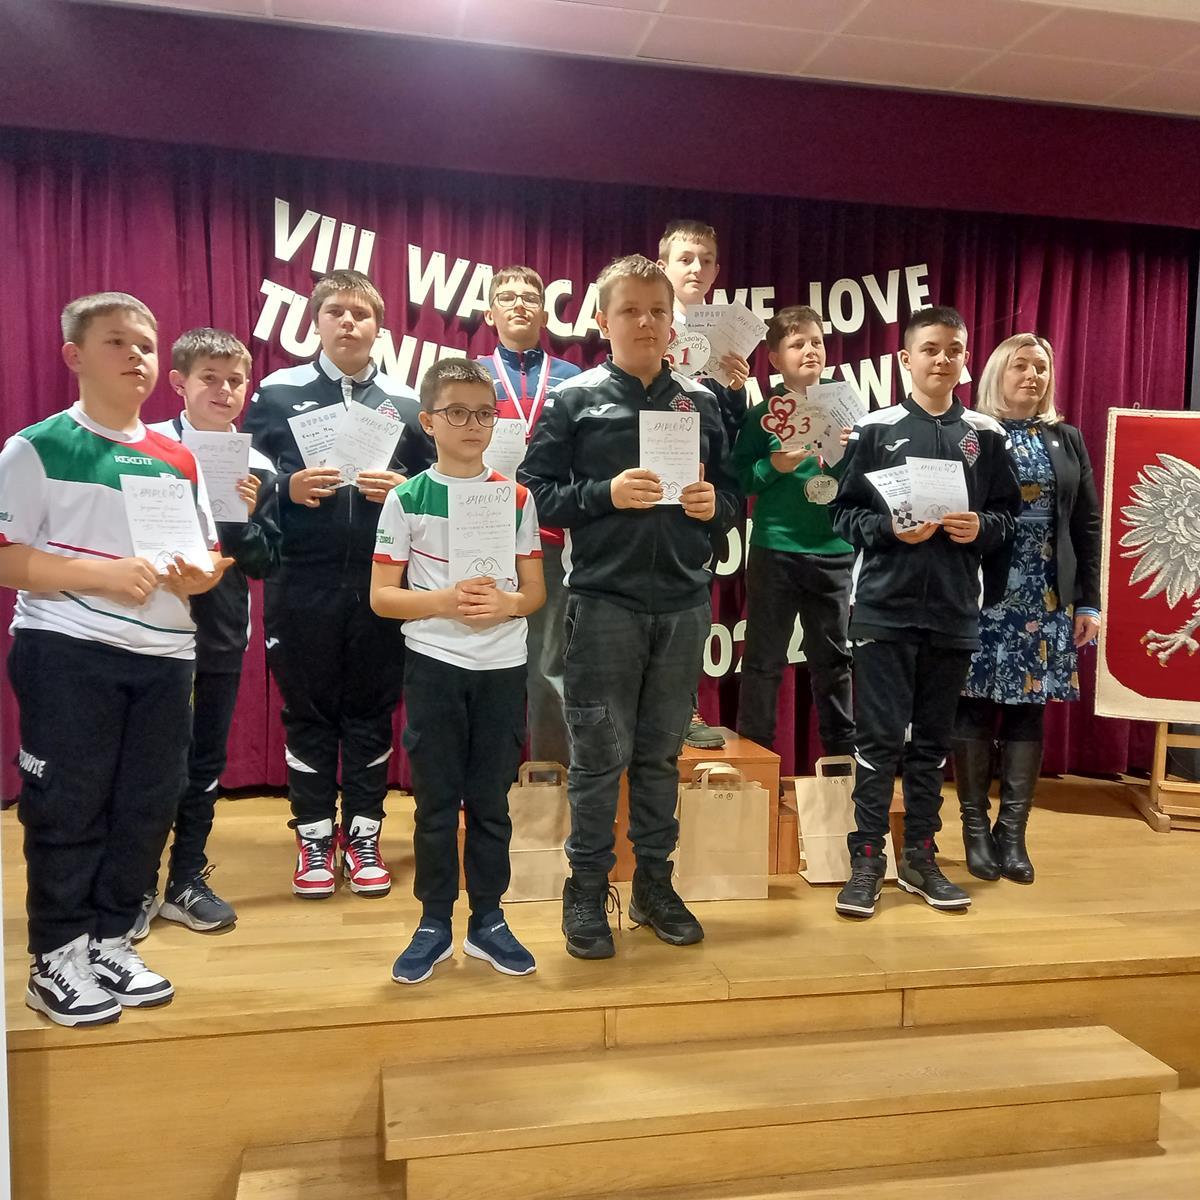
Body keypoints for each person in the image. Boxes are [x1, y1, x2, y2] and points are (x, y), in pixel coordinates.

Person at [0, 293, 230, 1027]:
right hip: (69, 650)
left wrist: (201, 575)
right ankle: (55, 956)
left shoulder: (178, 456)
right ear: (74, 355)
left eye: (146, 345)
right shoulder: (36, 446)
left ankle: (108, 941)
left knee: (147, 807)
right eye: (116, 342)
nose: (137, 356)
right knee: (69, 806)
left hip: (165, 656)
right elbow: (4, 556)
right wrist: (99, 575)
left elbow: (201, 556)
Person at [520, 254, 738, 959]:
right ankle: (586, 889)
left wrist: (713, 507)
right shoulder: (574, 400)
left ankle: (654, 885)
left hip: (683, 604)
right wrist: (603, 495)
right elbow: (533, 494)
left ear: (673, 322)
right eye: (630, 310)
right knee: (596, 760)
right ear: (602, 319)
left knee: (659, 757)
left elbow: (732, 495)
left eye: (657, 310)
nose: (645, 322)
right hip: (602, 605)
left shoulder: (702, 401)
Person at [244, 270, 433, 900]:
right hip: (302, 580)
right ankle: (314, 837)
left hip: (384, 584)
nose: (348, 322)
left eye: (361, 313)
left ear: (380, 326)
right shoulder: (277, 390)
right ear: (316, 322)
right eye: (335, 311)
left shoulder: (408, 401)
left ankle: (365, 832)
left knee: (372, 712)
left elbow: (436, 486)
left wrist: (404, 489)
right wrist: (285, 488)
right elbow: (242, 477)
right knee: (309, 711)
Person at [830, 305, 1020, 919]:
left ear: (965, 360)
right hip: (883, 608)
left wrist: (980, 527)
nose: (942, 360)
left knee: (933, 743)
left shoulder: (987, 434)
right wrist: (890, 529)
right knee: (878, 739)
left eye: (953, 350)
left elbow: (1008, 517)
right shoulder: (874, 428)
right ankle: (866, 860)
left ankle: (919, 856)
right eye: (931, 349)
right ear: (906, 359)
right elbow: (843, 515)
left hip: (954, 610)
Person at [371, 358, 545, 984]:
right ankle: (433, 922)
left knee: (492, 803)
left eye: (484, 413)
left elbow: (534, 591)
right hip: (435, 665)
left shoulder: (516, 496)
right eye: (457, 412)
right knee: (437, 803)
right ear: (429, 422)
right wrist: (444, 601)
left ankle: (489, 920)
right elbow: (382, 597)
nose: (473, 424)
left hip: (502, 666)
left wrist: (509, 605)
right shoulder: (406, 497)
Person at [144, 328, 281, 932]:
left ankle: (185, 878)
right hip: (149, 629)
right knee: (151, 761)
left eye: (235, 380)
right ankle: (134, 883)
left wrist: (244, 521)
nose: (223, 390)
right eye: (209, 378)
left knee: (203, 763)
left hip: (220, 633)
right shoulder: (147, 446)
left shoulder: (258, 466)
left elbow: (264, 564)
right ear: (179, 383)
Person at [954, 334, 1101, 884]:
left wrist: (1090, 602)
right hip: (983, 591)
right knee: (972, 706)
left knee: (1027, 711)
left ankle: (1012, 834)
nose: (1032, 376)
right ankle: (975, 830)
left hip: (1046, 596)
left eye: (1041, 367)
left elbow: (1086, 524)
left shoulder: (1066, 438)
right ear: (998, 372)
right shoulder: (972, 431)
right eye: (1021, 366)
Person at [734, 305, 855, 759]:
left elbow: (865, 481)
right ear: (774, 358)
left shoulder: (847, 408)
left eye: (816, 342)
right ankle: (756, 763)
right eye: (797, 343)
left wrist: (852, 453)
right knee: (764, 662)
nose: (809, 351)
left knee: (834, 663)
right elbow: (740, 479)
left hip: (834, 551)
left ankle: (842, 766)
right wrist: (775, 466)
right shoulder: (762, 415)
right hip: (776, 550)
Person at [478, 266, 580, 767]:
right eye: (506, 297)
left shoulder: (574, 379)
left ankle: (550, 782)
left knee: (547, 667)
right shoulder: (470, 375)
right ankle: (486, 783)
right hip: (481, 535)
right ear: (489, 313)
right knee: (483, 664)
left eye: (529, 298)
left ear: (544, 313)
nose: (518, 304)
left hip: (551, 537)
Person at [657, 219, 750, 750]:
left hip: (697, 497)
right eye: (686, 258)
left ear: (716, 271)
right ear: (663, 264)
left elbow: (730, 443)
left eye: (706, 260)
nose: (696, 268)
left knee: (691, 610)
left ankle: (684, 709)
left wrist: (734, 390)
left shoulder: (724, 337)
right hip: (644, 488)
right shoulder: (647, 323)